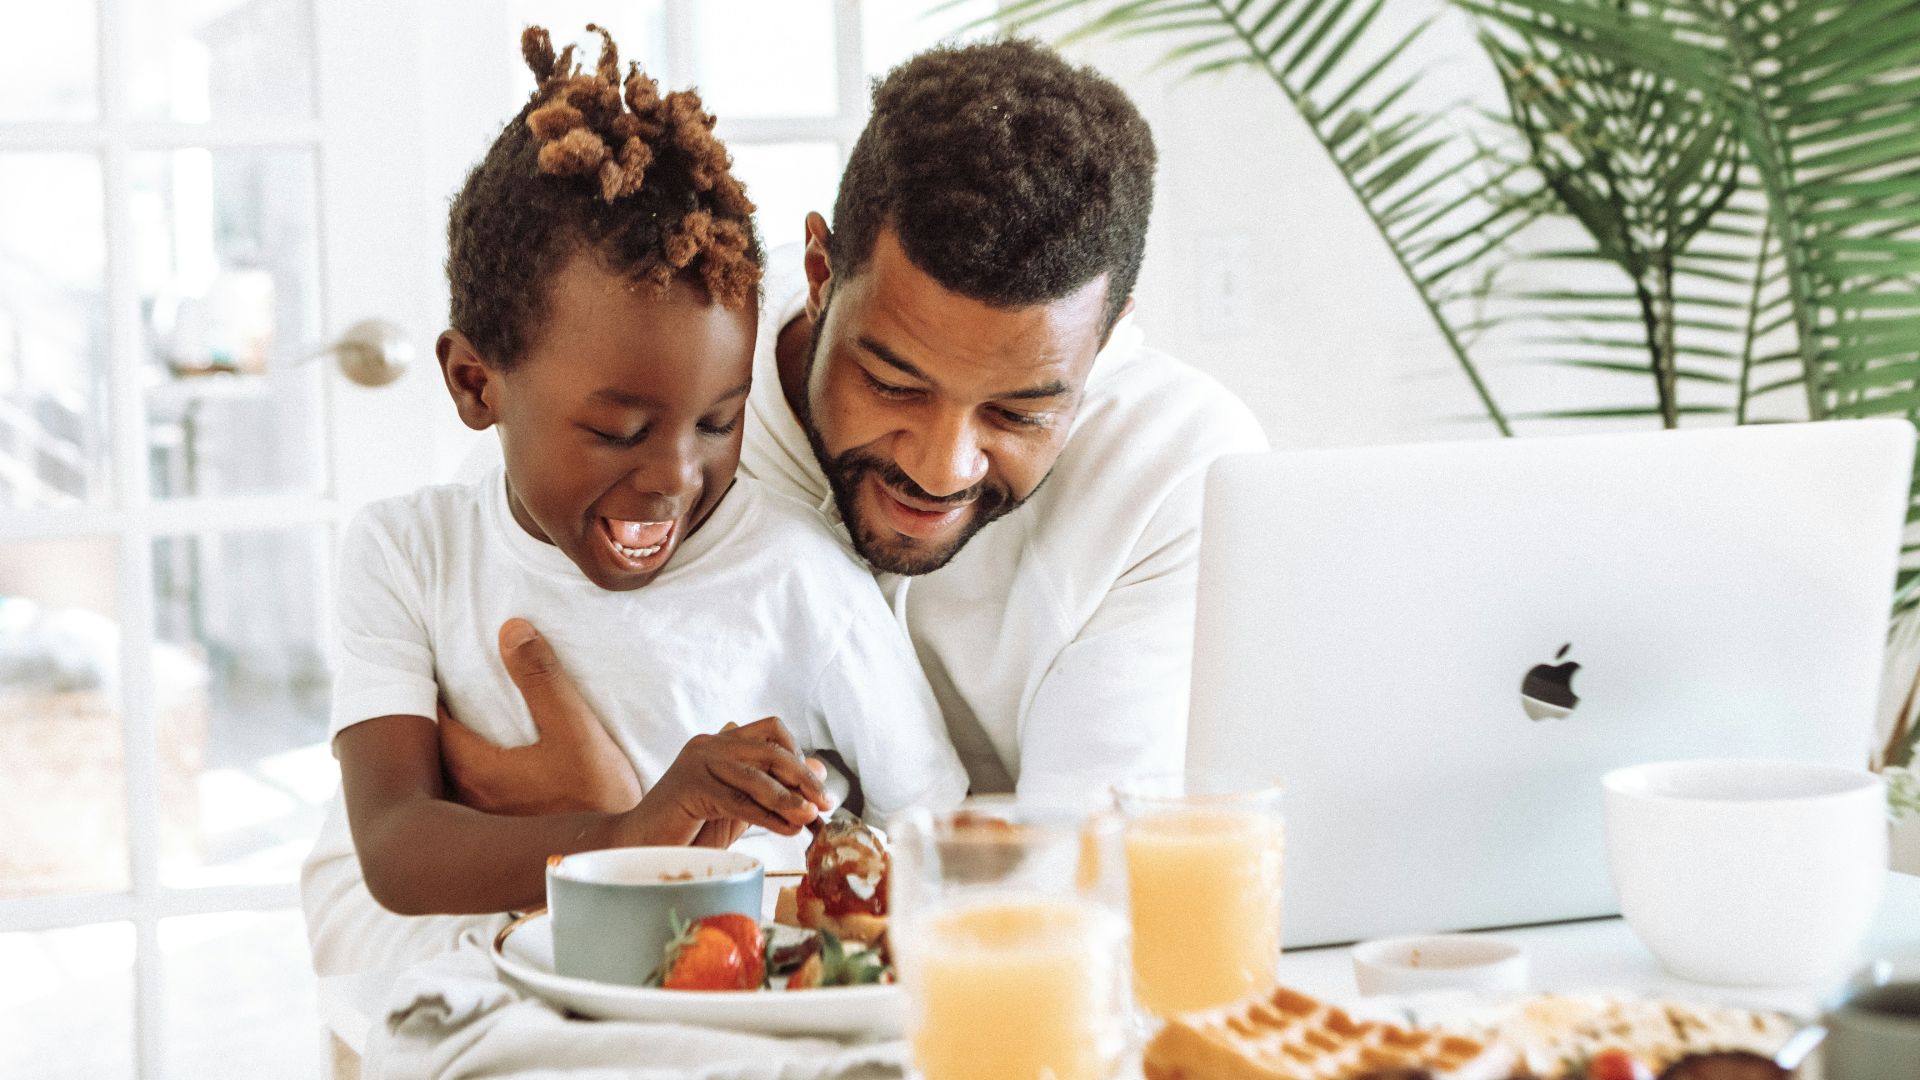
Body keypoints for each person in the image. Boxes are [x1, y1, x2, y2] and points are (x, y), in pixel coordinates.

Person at [300, 26, 966, 977]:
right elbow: (398, 850)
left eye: (717, 422)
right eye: (618, 430)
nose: (672, 479)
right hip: (510, 991)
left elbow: (933, 821)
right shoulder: (410, 554)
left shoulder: (794, 572)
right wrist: (638, 827)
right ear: (475, 385)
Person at [446, 39, 1267, 806]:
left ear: (1108, 335)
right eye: (893, 384)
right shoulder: (647, 442)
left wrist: (628, 839)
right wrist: (593, 847)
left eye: (1018, 412)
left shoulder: (1180, 471)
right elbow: (360, 900)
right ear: (818, 272)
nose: (942, 468)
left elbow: (1093, 885)